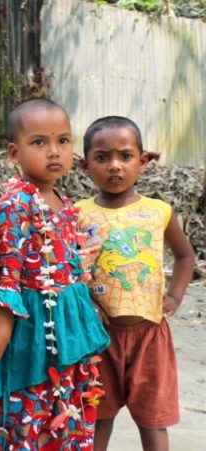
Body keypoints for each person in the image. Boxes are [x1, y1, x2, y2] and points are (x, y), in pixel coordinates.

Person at [0, 99, 110, 450]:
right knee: (24, 415)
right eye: (39, 143)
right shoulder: (13, 205)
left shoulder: (65, 204)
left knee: (64, 411)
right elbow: (6, 278)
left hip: (67, 330)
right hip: (29, 333)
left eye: (63, 141)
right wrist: (0, 336)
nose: (54, 152)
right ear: (15, 153)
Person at [76, 116, 195, 451]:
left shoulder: (159, 212)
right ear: (86, 166)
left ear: (142, 162)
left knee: (153, 420)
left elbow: (185, 257)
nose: (115, 166)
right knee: (96, 418)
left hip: (150, 335)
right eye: (102, 158)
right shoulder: (78, 213)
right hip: (99, 338)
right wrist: (87, 304)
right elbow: (71, 270)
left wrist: (174, 296)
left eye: (125, 156)